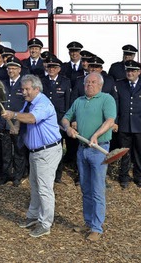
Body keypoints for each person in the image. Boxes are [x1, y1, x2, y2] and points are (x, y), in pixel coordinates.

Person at [0, 74, 62, 238]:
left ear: (36, 89)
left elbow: (32, 118)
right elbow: (23, 115)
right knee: (35, 186)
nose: (24, 92)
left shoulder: (43, 104)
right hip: (35, 152)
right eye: (22, 89)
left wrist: (13, 116)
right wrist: (16, 126)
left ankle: (45, 224)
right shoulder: (29, 102)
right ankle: (33, 217)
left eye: (27, 89)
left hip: (47, 151)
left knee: (44, 189)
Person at [62, 72, 116, 242]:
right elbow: (65, 118)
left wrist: (96, 135)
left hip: (99, 149)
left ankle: (96, 228)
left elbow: (110, 120)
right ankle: (88, 222)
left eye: (93, 82)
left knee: (97, 189)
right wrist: (68, 128)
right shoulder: (79, 101)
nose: (89, 85)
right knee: (85, 188)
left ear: (100, 85)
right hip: (82, 149)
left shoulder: (107, 99)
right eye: (87, 83)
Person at [0, 57, 27, 187]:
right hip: (3, 123)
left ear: (19, 70)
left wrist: (20, 122)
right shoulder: (2, 84)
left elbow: (27, 104)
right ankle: (5, 175)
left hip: (18, 123)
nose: (11, 70)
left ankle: (18, 176)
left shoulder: (24, 84)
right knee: (5, 151)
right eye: (9, 68)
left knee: (19, 150)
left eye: (13, 68)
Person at [41, 57, 72, 183]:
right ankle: (47, 172)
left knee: (58, 147)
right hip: (45, 121)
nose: (51, 70)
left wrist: (67, 119)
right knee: (46, 147)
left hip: (59, 121)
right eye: (49, 67)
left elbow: (68, 102)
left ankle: (57, 175)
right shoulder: (42, 81)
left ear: (59, 69)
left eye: (54, 67)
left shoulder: (65, 82)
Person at [114, 60, 141, 188]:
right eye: (128, 71)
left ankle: (138, 177)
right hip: (124, 124)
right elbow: (116, 106)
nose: (130, 73)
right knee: (124, 152)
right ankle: (124, 177)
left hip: (139, 125)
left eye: (133, 71)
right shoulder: (119, 84)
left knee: (139, 152)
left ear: (139, 72)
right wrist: (115, 122)